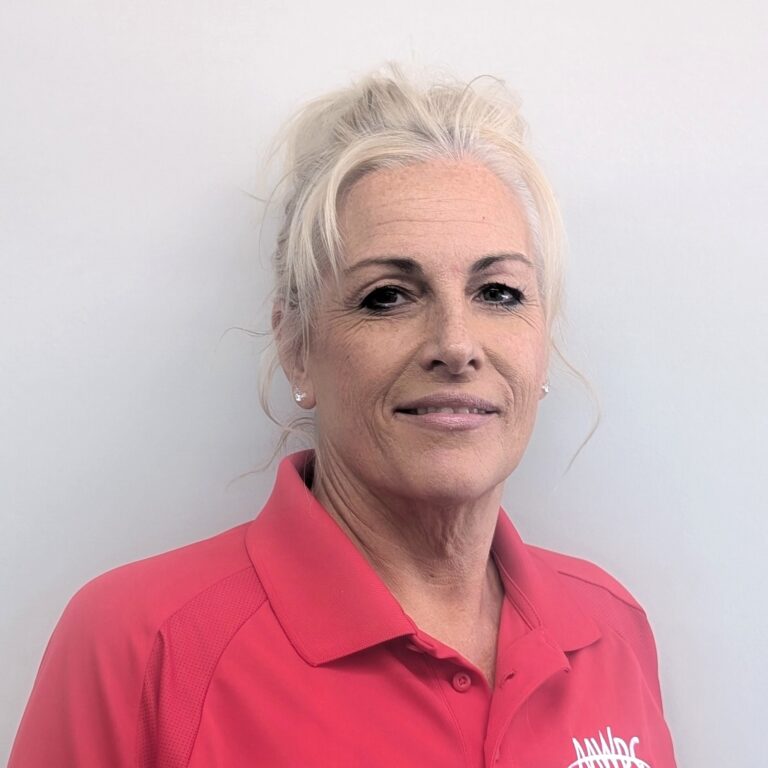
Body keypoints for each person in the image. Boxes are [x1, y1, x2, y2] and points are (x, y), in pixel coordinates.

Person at [9, 66, 677, 767]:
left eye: (499, 293)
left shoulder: (613, 628)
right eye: (387, 296)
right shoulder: (140, 646)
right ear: (297, 348)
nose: (456, 344)